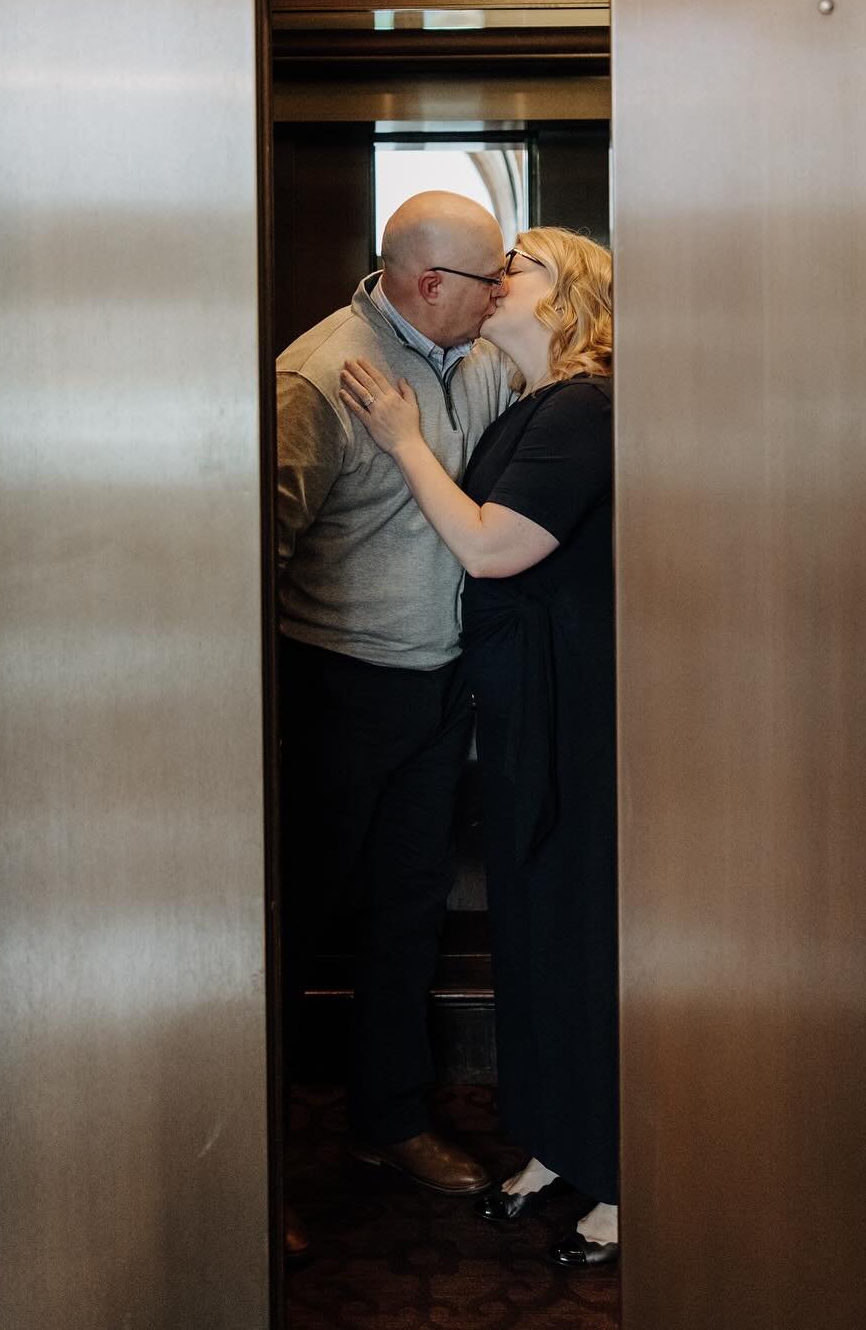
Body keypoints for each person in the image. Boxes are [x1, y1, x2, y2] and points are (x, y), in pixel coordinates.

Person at [339, 226, 618, 1269]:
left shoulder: (586, 407)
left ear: (568, 299)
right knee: (536, 930)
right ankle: (558, 1141)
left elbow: (494, 545)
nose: (502, 278)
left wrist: (403, 435)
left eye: (524, 266)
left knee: (578, 932)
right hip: (521, 701)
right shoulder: (538, 402)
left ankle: (622, 1175)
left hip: (570, 709)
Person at [275, 190, 517, 1256]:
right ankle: (260, 1164)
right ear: (429, 285)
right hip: (333, 691)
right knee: (288, 935)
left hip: (438, 686)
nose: (505, 291)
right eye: (489, 277)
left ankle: (387, 1123)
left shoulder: (483, 362)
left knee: (405, 920)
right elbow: (259, 549)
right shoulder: (318, 376)